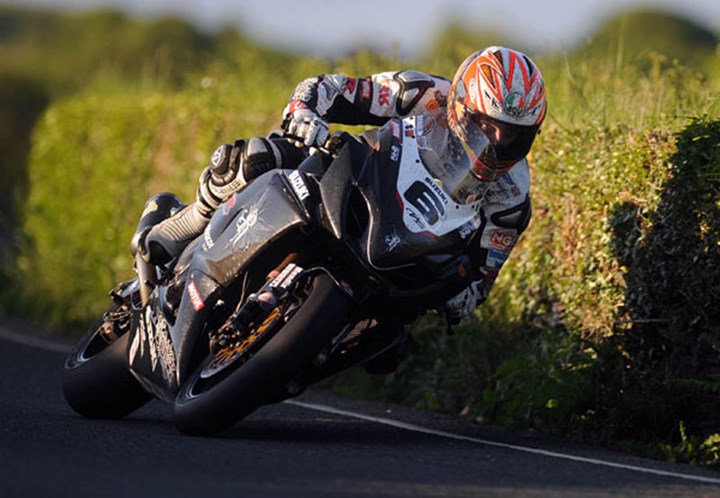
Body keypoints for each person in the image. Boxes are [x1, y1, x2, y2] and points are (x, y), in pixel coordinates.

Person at [141, 46, 547, 325]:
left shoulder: (513, 193)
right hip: (359, 179)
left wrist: (458, 296)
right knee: (261, 157)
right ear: (460, 104)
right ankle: (183, 226)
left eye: (513, 135)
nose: (496, 142)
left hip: (401, 247)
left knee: (393, 340)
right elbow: (332, 88)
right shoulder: (425, 95)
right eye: (486, 126)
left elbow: (483, 277)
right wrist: (304, 113)